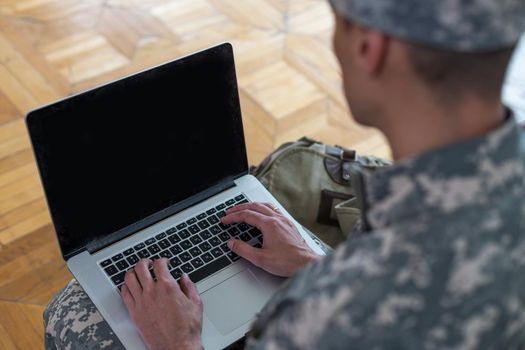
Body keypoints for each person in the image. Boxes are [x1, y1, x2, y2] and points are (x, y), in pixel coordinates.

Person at [44, 0, 525, 349]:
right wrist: (312, 265)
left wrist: (178, 343)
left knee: (67, 314)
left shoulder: (320, 319)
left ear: (369, 47)